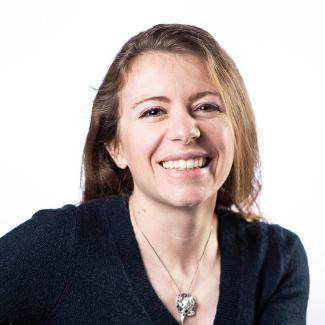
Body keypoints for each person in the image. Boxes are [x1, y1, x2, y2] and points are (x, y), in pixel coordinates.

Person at [0, 24, 309, 325]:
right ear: (116, 147)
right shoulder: (58, 243)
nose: (186, 131)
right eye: (153, 112)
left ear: (237, 130)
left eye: (206, 107)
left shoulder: (276, 259)